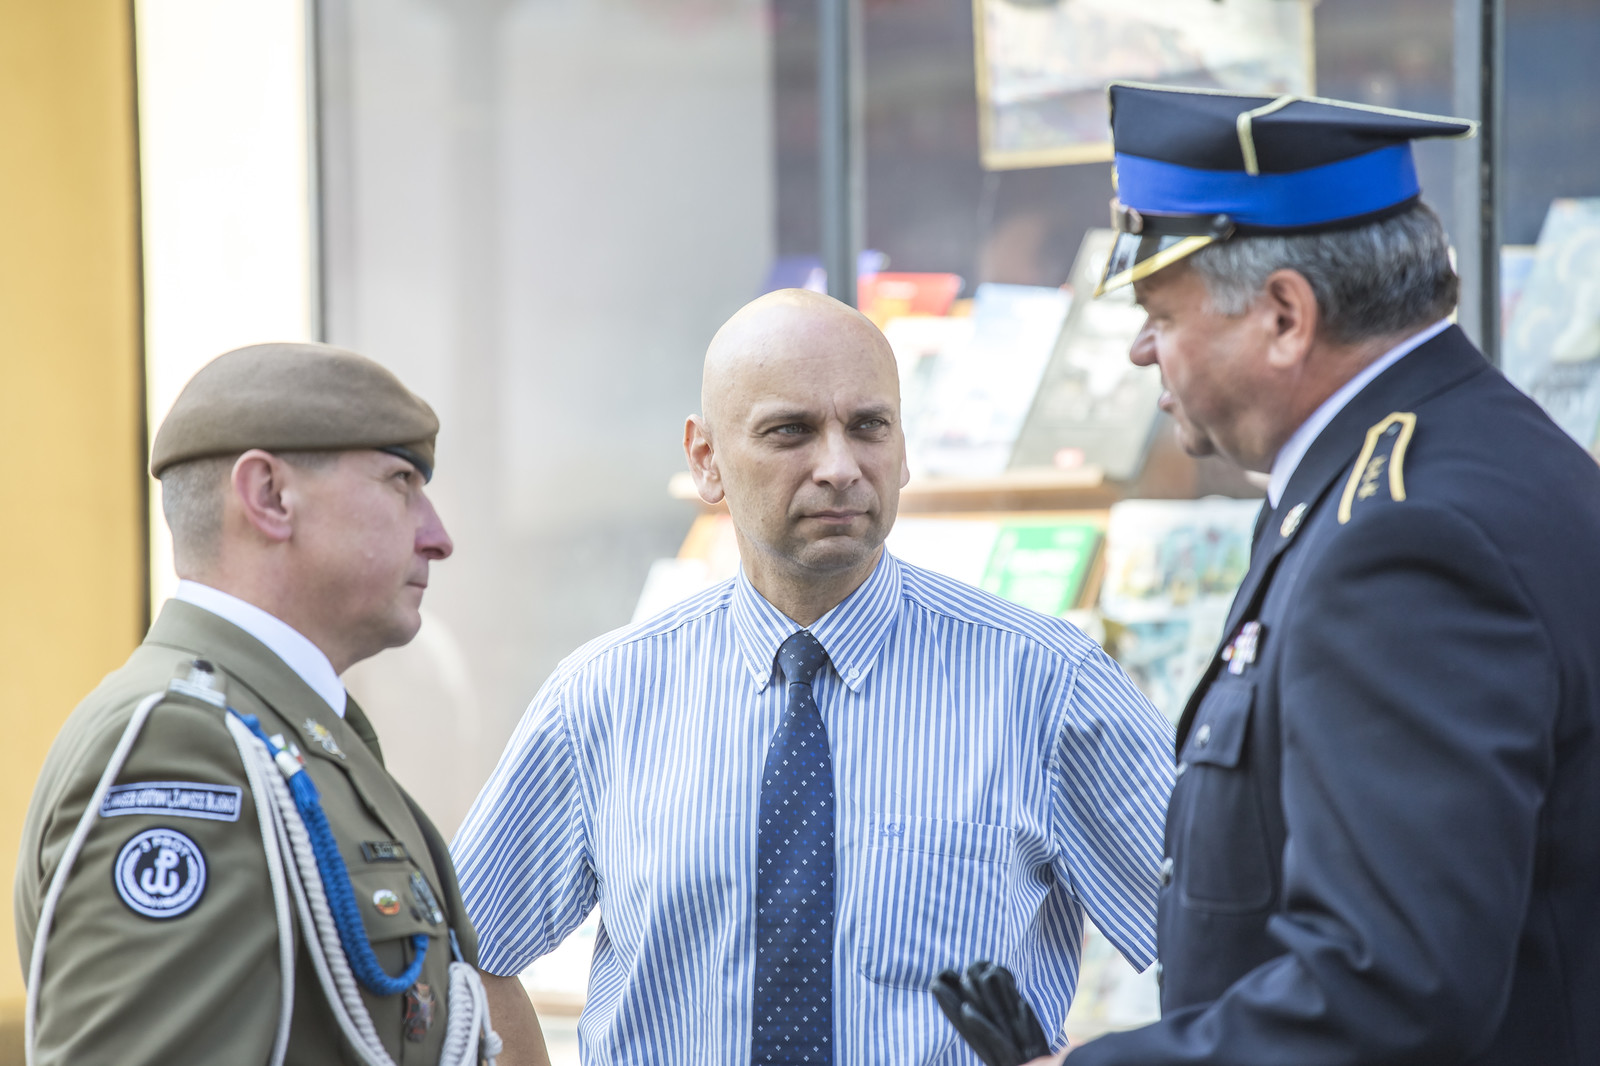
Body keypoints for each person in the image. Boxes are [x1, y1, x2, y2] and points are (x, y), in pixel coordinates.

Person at [1026, 83, 1600, 1065]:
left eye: (1160, 311)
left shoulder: (1403, 538)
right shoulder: (1458, 459)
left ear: (1286, 316)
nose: (1139, 348)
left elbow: (1389, 986)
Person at [452, 288, 1174, 1065]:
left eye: (868, 427)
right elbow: (467, 958)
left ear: (904, 447)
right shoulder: (602, 699)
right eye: (790, 431)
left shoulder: (1051, 688)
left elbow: (1240, 950)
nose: (839, 467)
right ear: (705, 459)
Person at [15, 342, 547, 1066]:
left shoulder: (286, 727)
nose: (438, 537)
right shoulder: (181, 746)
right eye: (400, 482)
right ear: (269, 496)